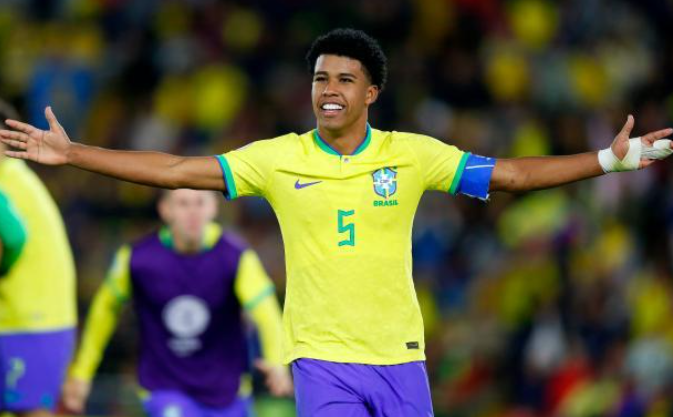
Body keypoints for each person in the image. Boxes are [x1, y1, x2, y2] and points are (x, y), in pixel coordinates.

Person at [2, 28, 672, 416]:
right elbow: (177, 168)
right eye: (321, 78)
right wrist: (75, 153)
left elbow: (512, 176)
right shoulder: (277, 158)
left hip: (400, 357)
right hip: (321, 361)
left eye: (344, 80)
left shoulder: (412, 155)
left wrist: (607, 161)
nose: (328, 90)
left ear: (370, 92)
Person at [61, 188, 292, 417]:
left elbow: (266, 312)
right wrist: (82, 373)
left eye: (199, 202)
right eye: (183, 204)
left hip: (228, 390)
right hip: (164, 387)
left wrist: (276, 362)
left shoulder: (236, 257)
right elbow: (105, 310)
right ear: (165, 209)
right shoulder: (137, 259)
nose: (192, 212)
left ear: (213, 208)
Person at [0, 100, 77, 417]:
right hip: (42, 321)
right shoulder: (21, 179)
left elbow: (13, 236)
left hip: (26, 324)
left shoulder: (5, 182)